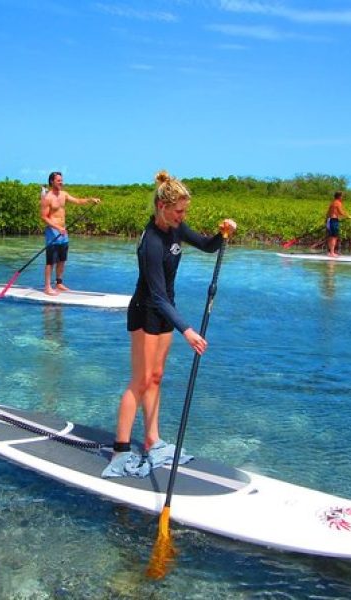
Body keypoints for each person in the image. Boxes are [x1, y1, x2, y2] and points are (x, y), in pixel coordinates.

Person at [102, 171, 237, 478]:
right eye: (179, 211)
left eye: (185, 211)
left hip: (165, 310)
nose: (183, 216)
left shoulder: (176, 228)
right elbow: (158, 296)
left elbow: (206, 245)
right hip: (145, 311)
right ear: (162, 206)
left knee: (157, 376)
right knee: (141, 380)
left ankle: (152, 439)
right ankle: (120, 449)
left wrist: (222, 234)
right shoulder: (150, 242)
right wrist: (187, 330)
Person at [39, 171, 101, 295]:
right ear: (52, 181)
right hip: (53, 232)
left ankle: (59, 283)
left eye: (61, 180)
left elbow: (77, 201)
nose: (61, 182)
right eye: (58, 180)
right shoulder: (47, 198)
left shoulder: (64, 194)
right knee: (51, 261)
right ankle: (47, 287)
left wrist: (90, 200)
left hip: (63, 232)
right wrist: (57, 227)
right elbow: (44, 217)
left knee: (62, 259)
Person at [325, 191, 351, 257]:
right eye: (342, 196)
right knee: (334, 237)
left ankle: (330, 252)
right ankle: (332, 253)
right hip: (333, 220)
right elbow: (341, 212)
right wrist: (348, 216)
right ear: (339, 196)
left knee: (330, 236)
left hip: (329, 220)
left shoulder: (332, 203)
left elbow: (328, 213)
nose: (343, 198)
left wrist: (326, 221)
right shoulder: (338, 203)